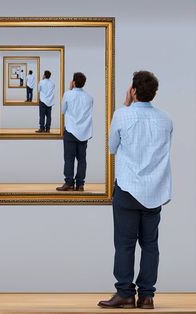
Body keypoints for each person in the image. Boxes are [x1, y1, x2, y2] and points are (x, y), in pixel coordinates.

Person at [98, 71, 173, 309]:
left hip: (128, 189)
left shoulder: (122, 115)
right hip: (155, 191)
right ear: (154, 93)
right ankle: (147, 296)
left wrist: (125, 105)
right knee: (150, 244)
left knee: (125, 243)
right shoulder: (166, 119)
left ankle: (125, 294)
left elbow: (111, 148)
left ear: (133, 91)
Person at [56, 72, 93, 192]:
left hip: (71, 130)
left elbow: (62, 111)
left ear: (73, 82)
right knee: (82, 159)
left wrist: (69, 89)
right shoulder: (89, 97)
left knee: (69, 158)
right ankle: (80, 184)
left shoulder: (68, 94)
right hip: (84, 132)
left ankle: (69, 183)